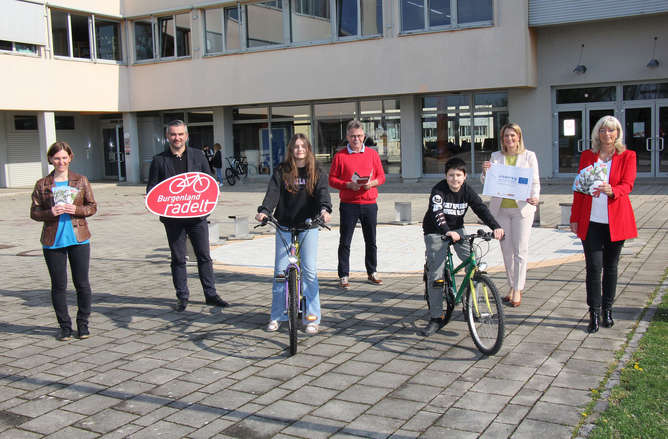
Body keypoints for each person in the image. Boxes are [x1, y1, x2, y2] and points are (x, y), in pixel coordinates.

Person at [147, 120, 229, 312]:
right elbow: (152, 188)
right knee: (178, 258)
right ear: (167, 136)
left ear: (187, 135)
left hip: (197, 218)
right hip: (173, 220)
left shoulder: (198, 155)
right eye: (173, 134)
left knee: (204, 257)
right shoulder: (159, 160)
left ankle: (211, 295)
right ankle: (182, 297)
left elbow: (209, 182)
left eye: (180, 134)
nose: (177, 138)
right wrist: (157, 204)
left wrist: (206, 207)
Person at [255, 134, 332, 334]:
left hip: (309, 225)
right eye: (296, 146)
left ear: (308, 148)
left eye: (303, 146)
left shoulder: (317, 171)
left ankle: (312, 317)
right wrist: (265, 211)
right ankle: (277, 315)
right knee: (280, 272)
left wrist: (325, 210)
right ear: (291, 149)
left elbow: (323, 193)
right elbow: (272, 194)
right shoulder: (282, 170)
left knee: (309, 272)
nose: (299, 149)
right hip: (285, 224)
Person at [422, 157, 504, 336]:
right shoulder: (438, 190)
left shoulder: (467, 191)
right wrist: (447, 231)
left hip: (457, 229)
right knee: (436, 276)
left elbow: (481, 208)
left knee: (472, 263)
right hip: (436, 230)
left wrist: (496, 226)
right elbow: (438, 213)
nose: (455, 179)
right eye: (451, 175)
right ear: (446, 176)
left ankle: (470, 303)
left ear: (465, 176)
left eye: (458, 175)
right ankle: (436, 317)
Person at [570, 115, 637, 333]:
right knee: (593, 268)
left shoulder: (627, 156)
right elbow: (579, 188)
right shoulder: (588, 156)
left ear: (617, 133)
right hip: (591, 221)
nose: (606, 134)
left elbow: (628, 184)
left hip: (616, 220)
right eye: (602, 130)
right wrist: (574, 218)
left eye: (611, 130)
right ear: (597, 133)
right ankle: (594, 313)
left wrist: (613, 191)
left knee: (611, 267)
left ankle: (608, 309)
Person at [30, 141, 97, 341]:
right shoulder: (42, 184)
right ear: (51, 159)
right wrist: (49, 212)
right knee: (58, 285)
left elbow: (92, 207)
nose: (61, 162)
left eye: (64, 158)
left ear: (70, 158)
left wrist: (76, 210)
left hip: (78, 238)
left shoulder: (81, 180)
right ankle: (65, 326)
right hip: (53, 240)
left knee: (82, 284)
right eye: (57, 158)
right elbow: (34, 212)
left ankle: (83, 324)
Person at [481, 123, 540, 307]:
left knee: (520, 250)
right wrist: (485, 171)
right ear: (502, 139)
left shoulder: (529, 156)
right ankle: (512, 285)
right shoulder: (496, 157)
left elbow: (535, 182)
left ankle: (517, 289)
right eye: (506, 136)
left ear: (519, 137)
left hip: (522, 210)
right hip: (501, 210)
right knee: (507, 251)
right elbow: (487, 182)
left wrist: (535, 197)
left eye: (513, 136)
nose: (510, 139)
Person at [329, 120, 386, 290]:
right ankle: (344, 275)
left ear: (364, 136)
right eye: (353, 136)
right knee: (345, 241)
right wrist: (347, 185)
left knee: (371, 240)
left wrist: (373, 183)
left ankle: (372, 272)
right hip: (349, 204)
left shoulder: (372, 154)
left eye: (359, 136)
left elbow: (382, 177)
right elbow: (331, 179)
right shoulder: (340, 156)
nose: (356, 139)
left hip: (369, 203)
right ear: (347, 137)